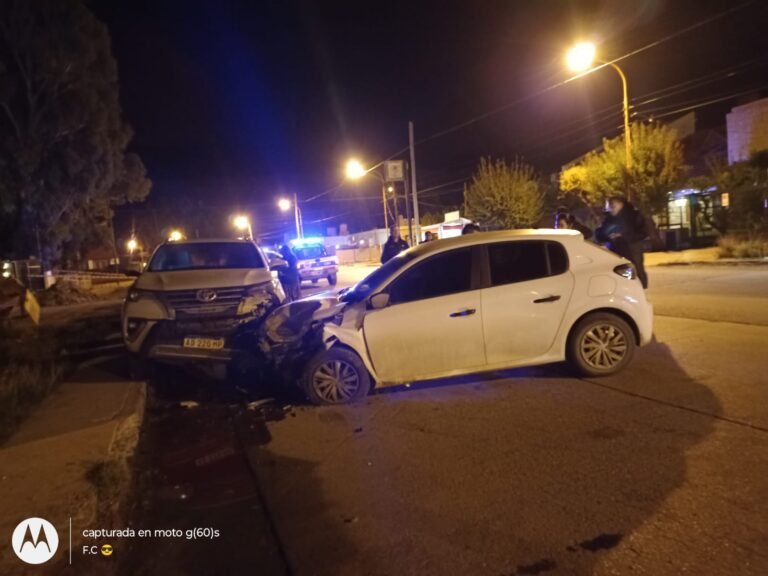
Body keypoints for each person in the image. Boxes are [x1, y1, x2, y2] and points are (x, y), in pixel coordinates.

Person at [595, 196, 649, 288]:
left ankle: (638, 288)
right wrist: (607, 237)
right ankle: (625, 289)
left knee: (634, 271)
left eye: (613, 206)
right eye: (610, 206)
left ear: (621, 204)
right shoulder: (609, 219)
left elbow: (644, 232)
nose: (611, 209)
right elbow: (600, 233)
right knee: (620, 273)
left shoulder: (634, 216)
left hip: (632, 250)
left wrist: (624, 236)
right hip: (616, 251)